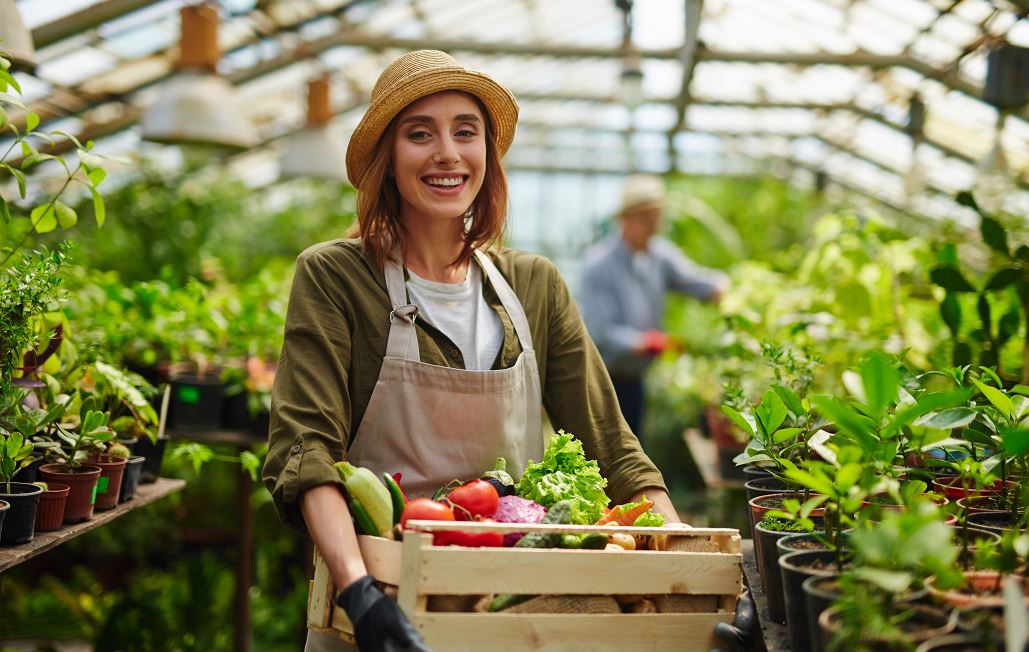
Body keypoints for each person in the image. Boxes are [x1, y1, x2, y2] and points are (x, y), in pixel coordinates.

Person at [262, 50, 682, 652]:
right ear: (387, 158)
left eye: (466, 132)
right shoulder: (336, 277)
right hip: (377, 609)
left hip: (513, 612)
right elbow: (307, 452)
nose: (447, 153)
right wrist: (359, 592)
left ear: (487, 151)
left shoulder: (534, 285)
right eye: (419, 134)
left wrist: (690, 563)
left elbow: (614, 450)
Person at [580, 175, 728, 439]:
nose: (653, 227)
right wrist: (646, 342)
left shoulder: (659, 256)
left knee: (632, 441)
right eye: (646, 219)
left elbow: (693, 280)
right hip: (602, 379)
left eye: (657, 218)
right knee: (603, 446)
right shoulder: (598, 264)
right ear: (626, 219)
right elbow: (601, 331)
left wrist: (725, 287)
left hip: (635, 377)